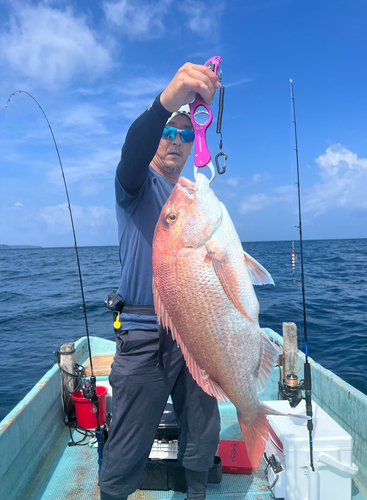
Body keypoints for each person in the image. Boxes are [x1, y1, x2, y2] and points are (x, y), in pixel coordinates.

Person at [99, 63, 222, 500]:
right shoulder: (134, 185)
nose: (176, 141)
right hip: (143, 336)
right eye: (169, 132)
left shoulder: (191, 196)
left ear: (195, 146)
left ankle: (196, 494)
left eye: (187, 135)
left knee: (204, 431)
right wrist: (166, 103)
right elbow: (133, 150)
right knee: (127, 444)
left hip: (193, 332)